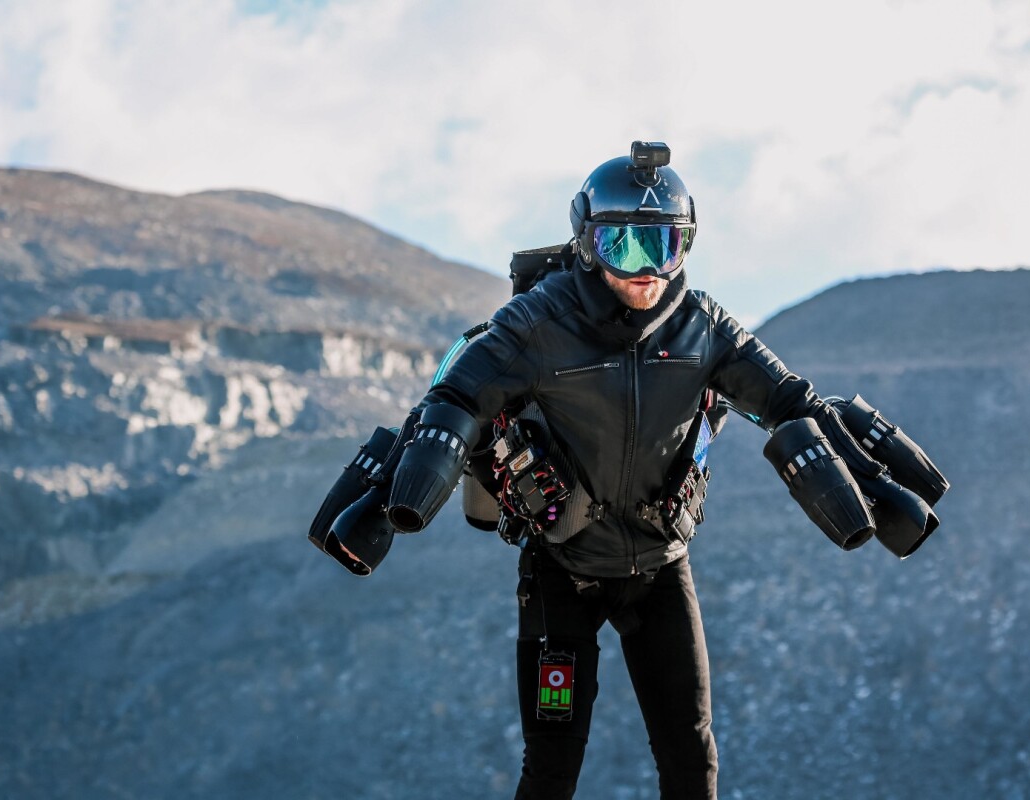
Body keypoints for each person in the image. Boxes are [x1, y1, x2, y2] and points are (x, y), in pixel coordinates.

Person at [368, 141, 938, 799]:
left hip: (662, 572)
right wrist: (415, 472)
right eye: (624, 247)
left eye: (665, 245)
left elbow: (788, 401)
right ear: (588, 243)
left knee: (691, 762)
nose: (648, 270)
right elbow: (458, 396)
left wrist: (865, 472)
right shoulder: (535, 322)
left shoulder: (704, 327)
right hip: (562, 578)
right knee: (552, 770)